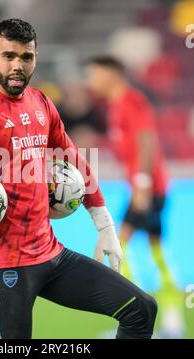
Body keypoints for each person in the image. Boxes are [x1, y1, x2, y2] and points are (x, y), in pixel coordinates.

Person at [0, 19, 157, 339]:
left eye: (25, 57)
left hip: (52, 256)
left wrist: (102, 219)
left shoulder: (40, 102)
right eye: (8, 56)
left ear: (35, 59)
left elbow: (71, 156)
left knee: (141, 309)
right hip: (4, 267)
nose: (17, 65)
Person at [86, 56, 184, 338]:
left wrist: (142, 184)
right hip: (146, 188)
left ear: (112, 75)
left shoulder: (132, 100)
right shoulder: (115, 107)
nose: (92, 81)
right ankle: (167, 317)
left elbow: (146, 138)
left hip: (149, 188)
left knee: (121, 247)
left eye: (95, 75)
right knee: (152, 252)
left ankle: (141, 316)